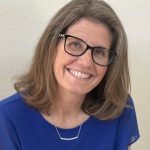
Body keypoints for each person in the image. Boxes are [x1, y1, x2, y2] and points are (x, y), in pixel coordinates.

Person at [0, 0, 140, 149]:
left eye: (99, 52)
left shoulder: (119, 108)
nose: (86, 62)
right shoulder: (7, 118)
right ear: (51, 46)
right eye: (75, 44)